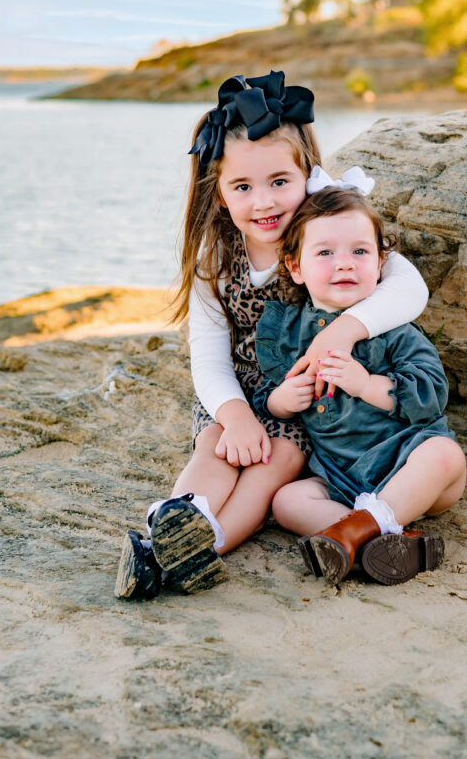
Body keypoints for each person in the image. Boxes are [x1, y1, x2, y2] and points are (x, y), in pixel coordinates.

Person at [115, 71, 431, 600]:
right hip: (235, 395)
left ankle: (204, 546)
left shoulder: (328, 234)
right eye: (243, 187)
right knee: (217, 448)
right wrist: (236, 416)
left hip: (303, 401)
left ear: (308, 174)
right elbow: (210, 362)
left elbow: (409, 286)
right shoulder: (215, 259)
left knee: (274, 464)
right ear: (218, 194)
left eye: (279, 181)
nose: (264, 202)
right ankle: (174, 525)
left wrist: (344, 331)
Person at [254, 175, 467, 586]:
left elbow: (431, 395)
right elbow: (268, 397)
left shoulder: (393, 327)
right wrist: (283, 399)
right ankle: (387, 542)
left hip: (411, 467)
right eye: (326, 253)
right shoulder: (288, 333)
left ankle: (352, 534)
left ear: (380, 263)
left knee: (445, 455)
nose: (345, 262)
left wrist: (365, 384)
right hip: (338, 476)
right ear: (295, 267)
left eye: (359, 251)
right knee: (287, 501)